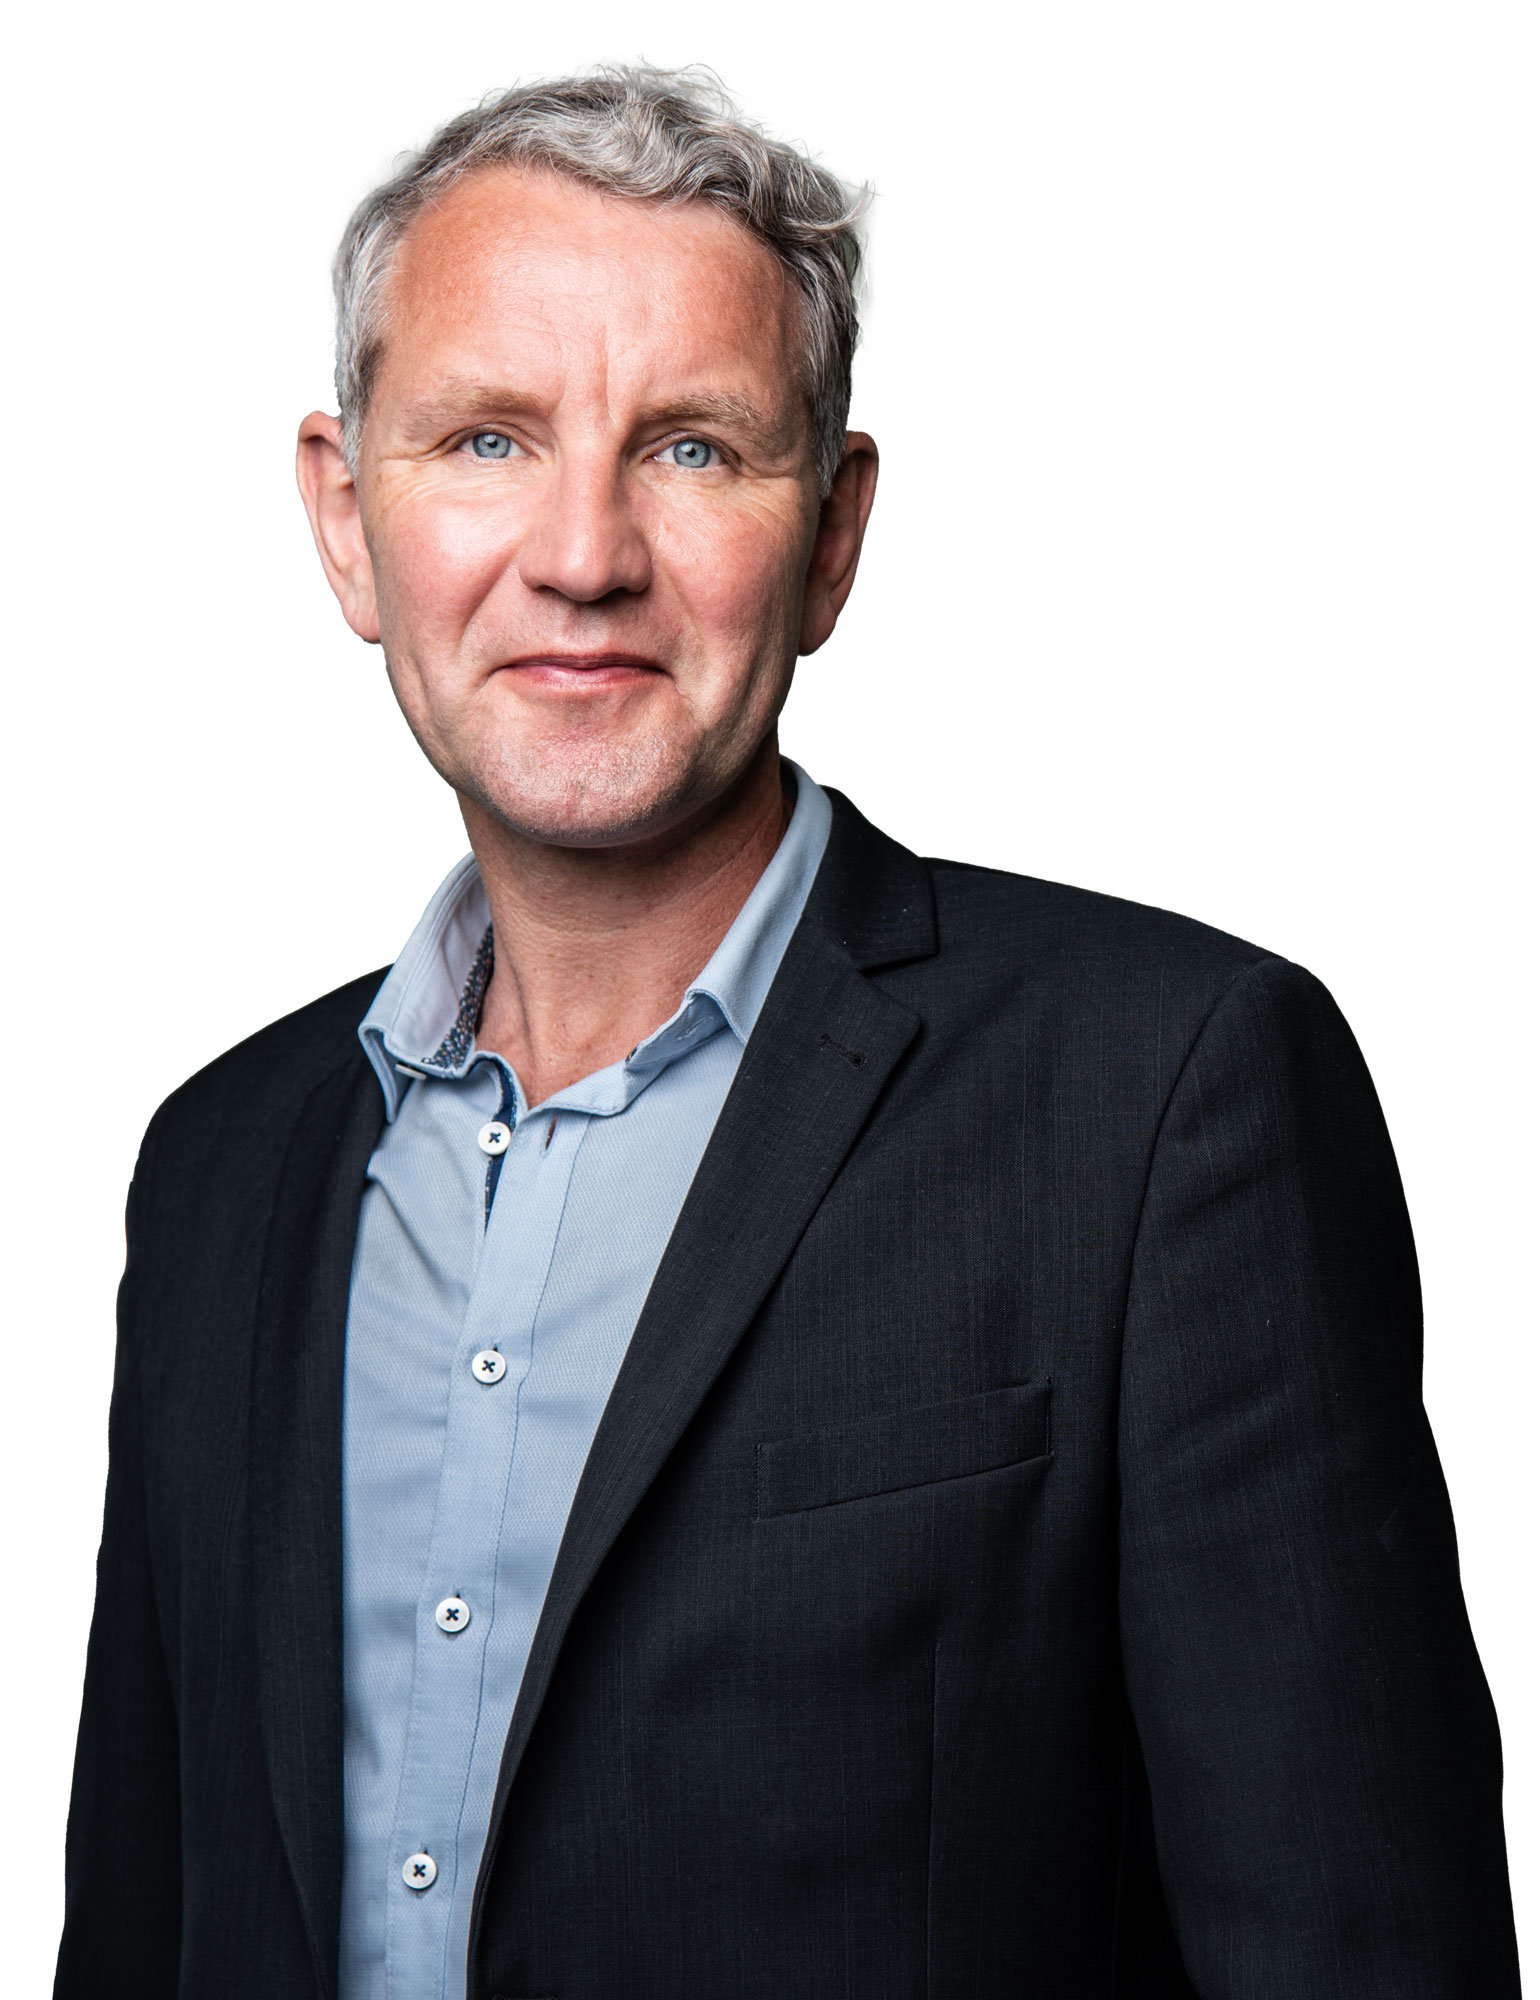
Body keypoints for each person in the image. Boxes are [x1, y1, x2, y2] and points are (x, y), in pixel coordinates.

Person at [55, 66, 1519, 2000]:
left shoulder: (1171, 1103)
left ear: (831, 534)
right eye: (487, 439)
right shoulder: (220, 1165)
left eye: (692, 449)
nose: (582, 554)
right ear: (347, 518)